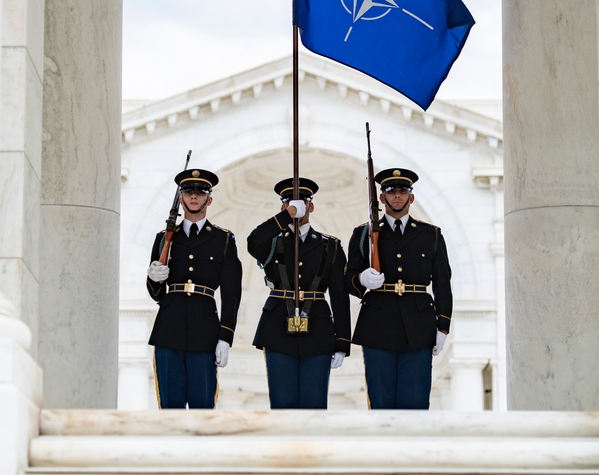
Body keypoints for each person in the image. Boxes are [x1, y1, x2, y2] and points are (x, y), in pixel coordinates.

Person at [346, 168, 452, 410]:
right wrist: (362, 278)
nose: (397, 196)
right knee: (381, 402)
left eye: (403, 191)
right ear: (381, 198)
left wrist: (443, 325)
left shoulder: (431, 235)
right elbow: (347, 277)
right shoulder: (363, 234)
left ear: (411, 198)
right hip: (377, 325)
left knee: (415, 403)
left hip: (419, 325)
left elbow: (443, 283)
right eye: (391, 191)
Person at [247, 177, 350, 409]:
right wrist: (287, 215)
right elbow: (252, 242)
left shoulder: (330, 245)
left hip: (319, 329)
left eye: (303, 201)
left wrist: (342, 341)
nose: (298, 206)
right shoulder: (272, 242)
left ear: (311, 206)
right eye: (289, 202)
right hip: (277, 329)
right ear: (283, 206)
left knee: (315, 405)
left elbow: (340, 296)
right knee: (282, 404)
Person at [146, 168, 242, 409]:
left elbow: (231, 294)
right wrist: (154, 278)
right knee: (170, 408)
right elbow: (157, 294)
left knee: (203, 408)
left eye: (200, 192)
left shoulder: (223, 240)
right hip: (169, 329)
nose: (194, 197)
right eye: (188, 192)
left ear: (209, 199)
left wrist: (225, 337)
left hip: (205, 333)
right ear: (181, 198)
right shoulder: (164, 238)